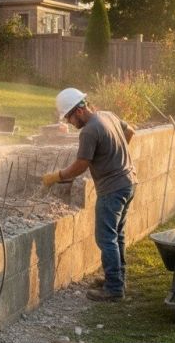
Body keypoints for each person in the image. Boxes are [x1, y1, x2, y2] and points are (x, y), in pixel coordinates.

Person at [41, 89, 137, 302]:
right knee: (117, 234)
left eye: (69, 117)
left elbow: (80, 165)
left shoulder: (89, 131)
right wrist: (113, 156)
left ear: (80, 110)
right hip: (129, 182)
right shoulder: (108, 115)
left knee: (106, 238)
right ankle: (118, 279)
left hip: (112, 189)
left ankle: (114, 289)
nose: (70, 122)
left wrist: (56, 176)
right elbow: (130, 131)